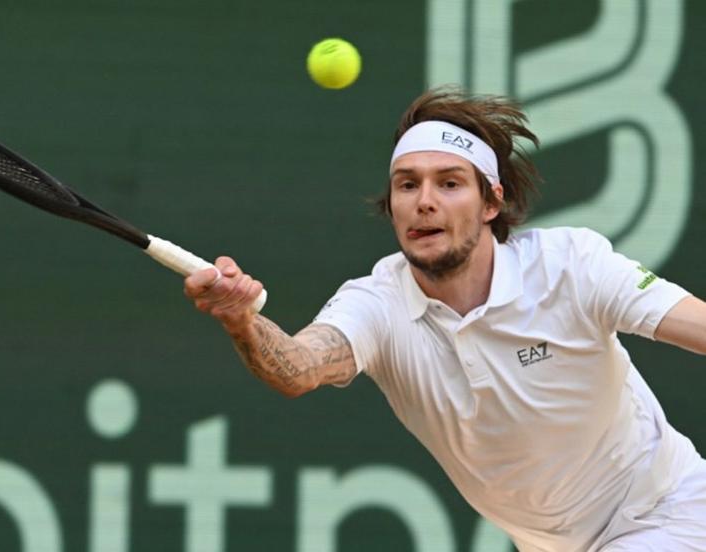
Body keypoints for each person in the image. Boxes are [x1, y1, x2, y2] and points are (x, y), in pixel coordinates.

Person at [183, 87, 706, 551]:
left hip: (672, 514)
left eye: (449, 183)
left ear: (490, 202)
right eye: (407, 185)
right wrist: (242, 321)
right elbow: (298, 368)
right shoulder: (378, 303)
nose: (424, 202)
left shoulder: (571, 267)